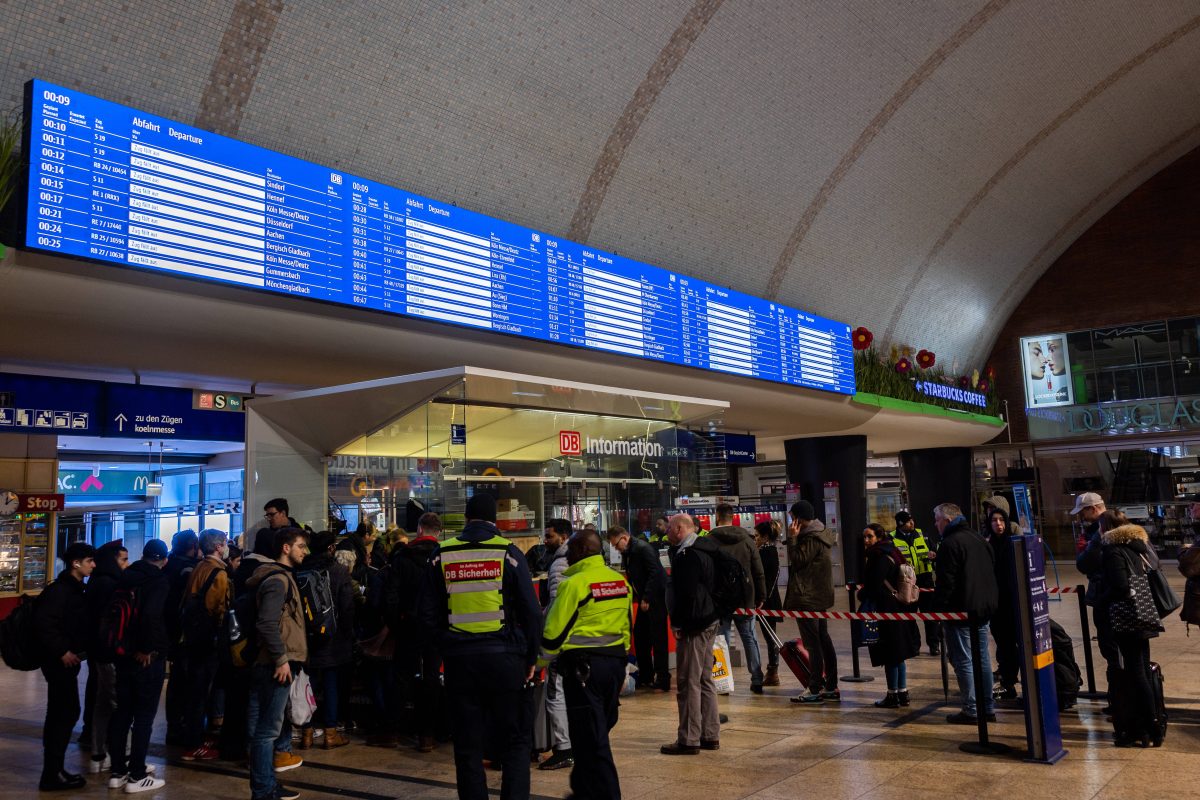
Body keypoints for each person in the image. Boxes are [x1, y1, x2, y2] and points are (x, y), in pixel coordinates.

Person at [416, 493, 542, 800]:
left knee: (468, 744)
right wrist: (530, 657)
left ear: (467, 519)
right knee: (515, 741)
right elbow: (531, 612)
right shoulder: (509, 553)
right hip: (506, 660)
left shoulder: (441, 554)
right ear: (494, 521)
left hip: (460, 662)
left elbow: (426, 615)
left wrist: (445, 645)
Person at [539, 530, 631, 799]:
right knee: (593, 733)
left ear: (579, 551)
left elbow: (553, 634)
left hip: (583, 670)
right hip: (613, 664)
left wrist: (537, 663)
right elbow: (627, 627)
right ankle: (582, 790)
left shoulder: (574, 584)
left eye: (570, 549)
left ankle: (607, 794)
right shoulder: (619, 581)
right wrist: (622, 662)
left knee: (593, 739)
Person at [245, 527, 309, 800]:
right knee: (267, 731)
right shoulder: (277, 581)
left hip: (271, 662)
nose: (305, 551)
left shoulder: (279, 578)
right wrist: (282, 659)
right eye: (300, 546)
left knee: (266, 728)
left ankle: (267, 783)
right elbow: (267, 623)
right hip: (274, 664)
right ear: (286, 548)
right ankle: (263, 789)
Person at [106, 539, 170, 794]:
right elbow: (151, 615)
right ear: (163, 560)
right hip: (145, 657)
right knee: (144, 717)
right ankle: (137, 775)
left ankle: (118, 771)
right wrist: (147, 649)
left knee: (122, 712)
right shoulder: (158, 580)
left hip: (122, 653)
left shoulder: (124, 577)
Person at [35, 542, 95, 791]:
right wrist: (62, 651)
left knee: (65, 711)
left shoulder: (74, 589)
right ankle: (51, 773)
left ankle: (54, 770)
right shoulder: (61, 591)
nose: (93, 565)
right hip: (58, 662)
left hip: (67, 661)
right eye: (90, 560)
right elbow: (44, 624)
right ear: (76, 563)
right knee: (64, 712)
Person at [661, 513, 722, 755]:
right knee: (706, 680)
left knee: (688, 682)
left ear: (678, 529)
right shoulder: (707, 548)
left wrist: (678, 624)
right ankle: (710, 734)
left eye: (668, 528)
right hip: (711, 619)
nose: (666, 532)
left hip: (695, 625)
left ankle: (689, 738)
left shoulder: (687, 556)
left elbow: (685, 595)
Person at [933, 502, 998, 724]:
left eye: (937, 520)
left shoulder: (950, 544)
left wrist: (939, 610)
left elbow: (946, 582)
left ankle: (971, 709)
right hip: (983, 608)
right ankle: (987, 706)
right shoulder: (979, 539)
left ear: (947, 521)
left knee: (964, 660)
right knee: (983, 659)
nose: (935, 525)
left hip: (960, 611)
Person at [1100, 520, 1164, 747]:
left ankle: (1149, 727)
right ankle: (1151, 727)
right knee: (1143, 669)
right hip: (1144, 611)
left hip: (1128, 616)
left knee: (1136, 672)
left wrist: (1101, 599)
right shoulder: (1137, 546)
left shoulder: (1113, 550)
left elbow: (1120, 586)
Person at [296, 531, 354, 751]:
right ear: (331, 549)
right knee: (331, 685)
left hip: (307, 638)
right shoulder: (339, 572)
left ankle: (307, 733)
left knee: (308, 685)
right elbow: (347, 607)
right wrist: (347, 636)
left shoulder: (301, 570)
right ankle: (330, 734)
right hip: (333, 639)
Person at [391, 512, 444, 753]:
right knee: (432, 677)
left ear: (420, 529)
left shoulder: (402, 556)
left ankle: (398, 728)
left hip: (408, 625)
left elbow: (392, 595)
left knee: (403, 675)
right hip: (435, 627)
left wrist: (395, 623)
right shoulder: (443, 557)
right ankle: (428, 734)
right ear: (439, 532)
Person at [180, 530, 233, 761]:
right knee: (200, 692)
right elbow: (217, 608)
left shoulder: (199, 567)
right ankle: (194, 744)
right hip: (207, 639)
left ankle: (196, 736)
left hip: (192, 637)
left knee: (195, 690)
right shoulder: (218, 573)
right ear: (219, 547)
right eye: (224, 543)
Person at [858, 524, 920, 708]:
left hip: (886, 609)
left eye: (869, 536)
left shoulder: (878, 556)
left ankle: (892, 695)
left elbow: (874, 585)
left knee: (890, 653)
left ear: (879, 536)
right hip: (898, 608)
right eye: (864, 537)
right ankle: (902, 693)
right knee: (898, 653)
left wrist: (861, 595)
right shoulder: (892, 551)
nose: (866, 540)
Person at [784, 500, 840, 704]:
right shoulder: (820, 534)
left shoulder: (810, 538)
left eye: (792, 517)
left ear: (798, 519)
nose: (791, 521)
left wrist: (792, 539)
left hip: (807, 597)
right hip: (818, 596)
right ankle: (831, 686)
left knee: (813, 644)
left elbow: (798, 561)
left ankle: (815, 688)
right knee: (823, 640)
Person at [709, 504, 767, 693]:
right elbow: (758, 571)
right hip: (745, 597)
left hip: (720, 599)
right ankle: (757, 679)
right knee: (749, 637)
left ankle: (723, 681)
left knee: (720, 639)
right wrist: (761, 595)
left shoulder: (710, 540)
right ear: (733, 517)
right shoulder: (747, 540)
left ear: (717, 517)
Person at [82, 541, 128, 775]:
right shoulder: (110, 585)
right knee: (116, 702)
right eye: (123, 559)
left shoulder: (95, 582)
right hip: (110, 652)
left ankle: (98, 752)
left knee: (101, 701)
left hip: (97, 651)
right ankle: (120, 756)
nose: (126, 565)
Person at [607, 524, 670, 692]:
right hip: (644, 599)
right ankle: (646, 676)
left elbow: (654, 572)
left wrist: (647, 597)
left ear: (624, 537)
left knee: (658, 639)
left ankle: (663, 679)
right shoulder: (628, 552)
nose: (615, 548)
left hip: (654, 599)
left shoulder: (643, 548)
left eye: (615, 544)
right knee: (641, 637)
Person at [539, 518, 575, 771]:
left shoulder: (560, 565)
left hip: (562, 642)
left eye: (550, 536)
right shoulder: (581, 560)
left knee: (556, 693)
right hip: (582, 641)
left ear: (563, 537)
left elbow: (557, 608)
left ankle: (563, 748)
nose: (545, 540)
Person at [1074, 492, 1118, 680]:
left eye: (1083, 512)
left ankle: (1120, 698)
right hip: (1118, 596)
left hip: (1106, 596)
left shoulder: (1099, 532)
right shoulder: (1122, 523)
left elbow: (1084, 564)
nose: (1081, 517)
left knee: (1111, 647)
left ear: (1093, 509)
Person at [162, 529, 200, 745]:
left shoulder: (168, 566)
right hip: (185, 632)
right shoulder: (189, 569)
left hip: (170, 630)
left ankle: (174, 726)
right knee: (186, 681)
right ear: (192, 547)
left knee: (177, 680)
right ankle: (182, 727)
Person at [984, 503, 1022, 701]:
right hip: (997, 604)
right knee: (1004, 644)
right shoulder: (988, 545)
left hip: (1013, 602)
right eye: (993, 520)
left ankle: (1015, 681)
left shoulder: (1013, 543)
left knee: (1017, 643)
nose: (998, 524)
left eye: (1001, 520)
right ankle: (1008, 683)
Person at [888, 510, 939, 655]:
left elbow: (935, 550)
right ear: (900, 524)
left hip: (925, 580)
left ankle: (934, 645)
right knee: (909, 616)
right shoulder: (892, 538)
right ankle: (914, 646)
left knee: (930, 616)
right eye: (909, 521)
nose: (913, 523)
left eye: (912, 520)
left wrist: (933, 555)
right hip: (906, 582)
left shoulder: (923, 535)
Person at [754, 520, 783, 686]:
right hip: (768, 600)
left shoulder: (766, 552)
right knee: (770, 636)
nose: (755, 539)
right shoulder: (768, 551)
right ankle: (772, 671)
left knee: (770, 637)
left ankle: (773, 671)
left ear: (765, 537)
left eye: (757, 536)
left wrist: (762, 599)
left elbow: (767, 579)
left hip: (767, 601)